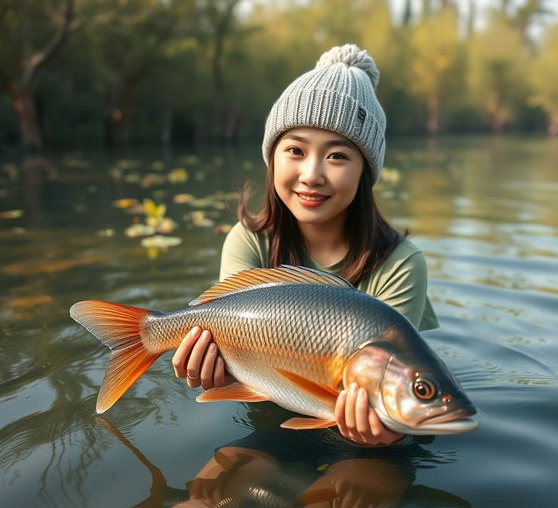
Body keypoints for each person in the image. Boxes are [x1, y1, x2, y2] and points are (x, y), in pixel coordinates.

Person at [172, 44, 439, 446]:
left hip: (362, 445)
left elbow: (394, 394)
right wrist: (216, 368)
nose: (311, 175)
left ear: (366, 171)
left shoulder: (401, 263)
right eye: (295, 150)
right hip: (262, 425)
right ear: (272, 157)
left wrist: (387, 436)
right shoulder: (248, 242)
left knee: (345, 506)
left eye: (337, 156)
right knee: (205, 501)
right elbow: (225, 336)